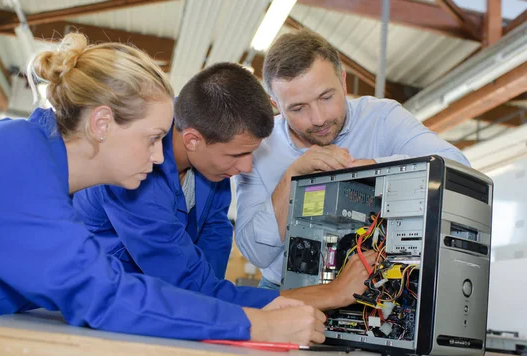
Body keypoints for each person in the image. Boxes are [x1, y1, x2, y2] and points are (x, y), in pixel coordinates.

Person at [0, 34, 326, 356]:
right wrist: (256, 325)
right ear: (101, 123)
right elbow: (103, 294)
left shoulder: (36, 162)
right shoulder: (10, 163)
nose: (158, 158)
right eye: (152, 138)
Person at [73, 62, 373, 312]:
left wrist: (215, 307)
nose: (245, 168)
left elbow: (213, 244)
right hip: (104, 309)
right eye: (236, 154)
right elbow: (192, 291)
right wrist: (331, 294)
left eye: (250, 153)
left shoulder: (209, 167)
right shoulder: (136, 178)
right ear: (193, 140)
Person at [234, 30, 471, 290]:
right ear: (275, 103)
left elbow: (457, 169)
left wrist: (373, 170)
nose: (318, 118)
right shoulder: (258, 148)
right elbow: (257, 254)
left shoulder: (382, 118)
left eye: (326, 97)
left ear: (343, 81)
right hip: (287, 291)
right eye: (298, 108)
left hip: (377, 289)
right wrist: (293, 177)